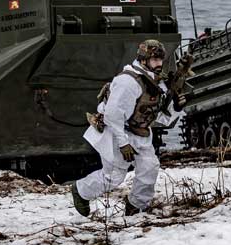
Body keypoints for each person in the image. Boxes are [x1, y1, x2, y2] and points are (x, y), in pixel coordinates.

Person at [71, 40, 190, 218]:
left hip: (141, 132)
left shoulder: (158, 82)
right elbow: (112, 114)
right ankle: (80, 191)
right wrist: (123, 143)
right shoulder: (128, 82)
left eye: (161, 60)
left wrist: (176, 108)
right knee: (114, 176)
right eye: (155, 60)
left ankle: (135, 206)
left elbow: (159, 116)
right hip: (117, 131)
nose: (159, 64)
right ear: (143, 60)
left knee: (150, 167)